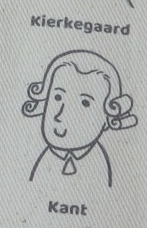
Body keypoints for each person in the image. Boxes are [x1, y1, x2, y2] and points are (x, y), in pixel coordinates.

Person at [22, 49, 137, 188]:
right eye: (57, 97)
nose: (60, 115)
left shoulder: (100, 165)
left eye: (85, 103)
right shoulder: (43, 162)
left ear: (107, 116)